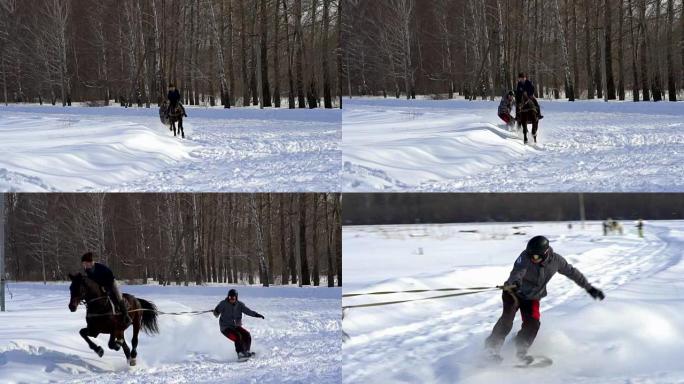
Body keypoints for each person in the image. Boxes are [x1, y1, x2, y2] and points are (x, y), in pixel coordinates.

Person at [484, 236, 604, 363]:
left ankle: (519, 350)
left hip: (532, 297)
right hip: (513, 292)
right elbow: (517, 271)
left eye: (535, 256)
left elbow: (572, 273)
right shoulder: (524, 257)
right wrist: (516, 282)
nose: (532, 258)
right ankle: (491, 348)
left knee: (533, 324)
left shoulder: (557, 261)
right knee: (507, 319)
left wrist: (589, 288)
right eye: (530, 255)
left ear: (545, 253)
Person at [81, 252, 132, 326]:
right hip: (101, 286)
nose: (84, 265)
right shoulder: (87, 270)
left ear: (90, 262)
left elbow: (110, 276)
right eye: (83, 264)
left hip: (111, 283)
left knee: (118, 296)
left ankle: (126, 316)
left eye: (85, 263)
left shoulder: (100, 267)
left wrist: (105, 286)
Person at [213, 289, 265, 360]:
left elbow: (248, 311)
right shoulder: (223, 304)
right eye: (230, 297)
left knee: (247, 335)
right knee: (238, 336)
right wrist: (216, 311)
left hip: (235, 326)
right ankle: (240, 353)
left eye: (233, 298)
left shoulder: (240, 305)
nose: (231, 299)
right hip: (225, 327)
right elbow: (216, 313)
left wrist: (256, 315)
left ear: (236, 297)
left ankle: (246, 351)